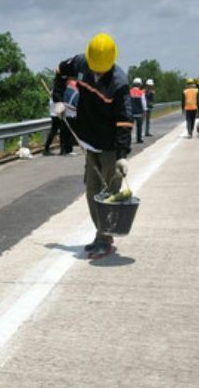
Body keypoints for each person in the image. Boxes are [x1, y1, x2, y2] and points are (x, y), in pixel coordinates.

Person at [52, 33, 133, 260]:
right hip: (87, 139)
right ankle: (101, 235)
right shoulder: (80, 63)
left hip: (109, 146)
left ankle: (104, 238)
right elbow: (59, 71)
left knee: (109, 193)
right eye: (94, 69)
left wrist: (122, 155)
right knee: (91, 192)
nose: (96, 73)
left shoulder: (119, 83)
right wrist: (58, 99)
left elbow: (124, 121)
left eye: (101, 70)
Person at [60, 79, 80, 155]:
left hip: (63, 115)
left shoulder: (63, 92)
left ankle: (63, 149)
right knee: (69, 134)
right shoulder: (75, 93)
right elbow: (77, 105)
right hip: (72, 115)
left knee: (64, 133)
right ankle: (69, 150)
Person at [130, 77, 147, 143]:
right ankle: (139, 139)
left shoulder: (129, 92)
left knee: (130, 127)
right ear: (139, 84)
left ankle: (128, 139)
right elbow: (143, 102)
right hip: (139, 113)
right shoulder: (141, 93)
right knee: (139, 127)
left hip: (131, 112)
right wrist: (144, 110)